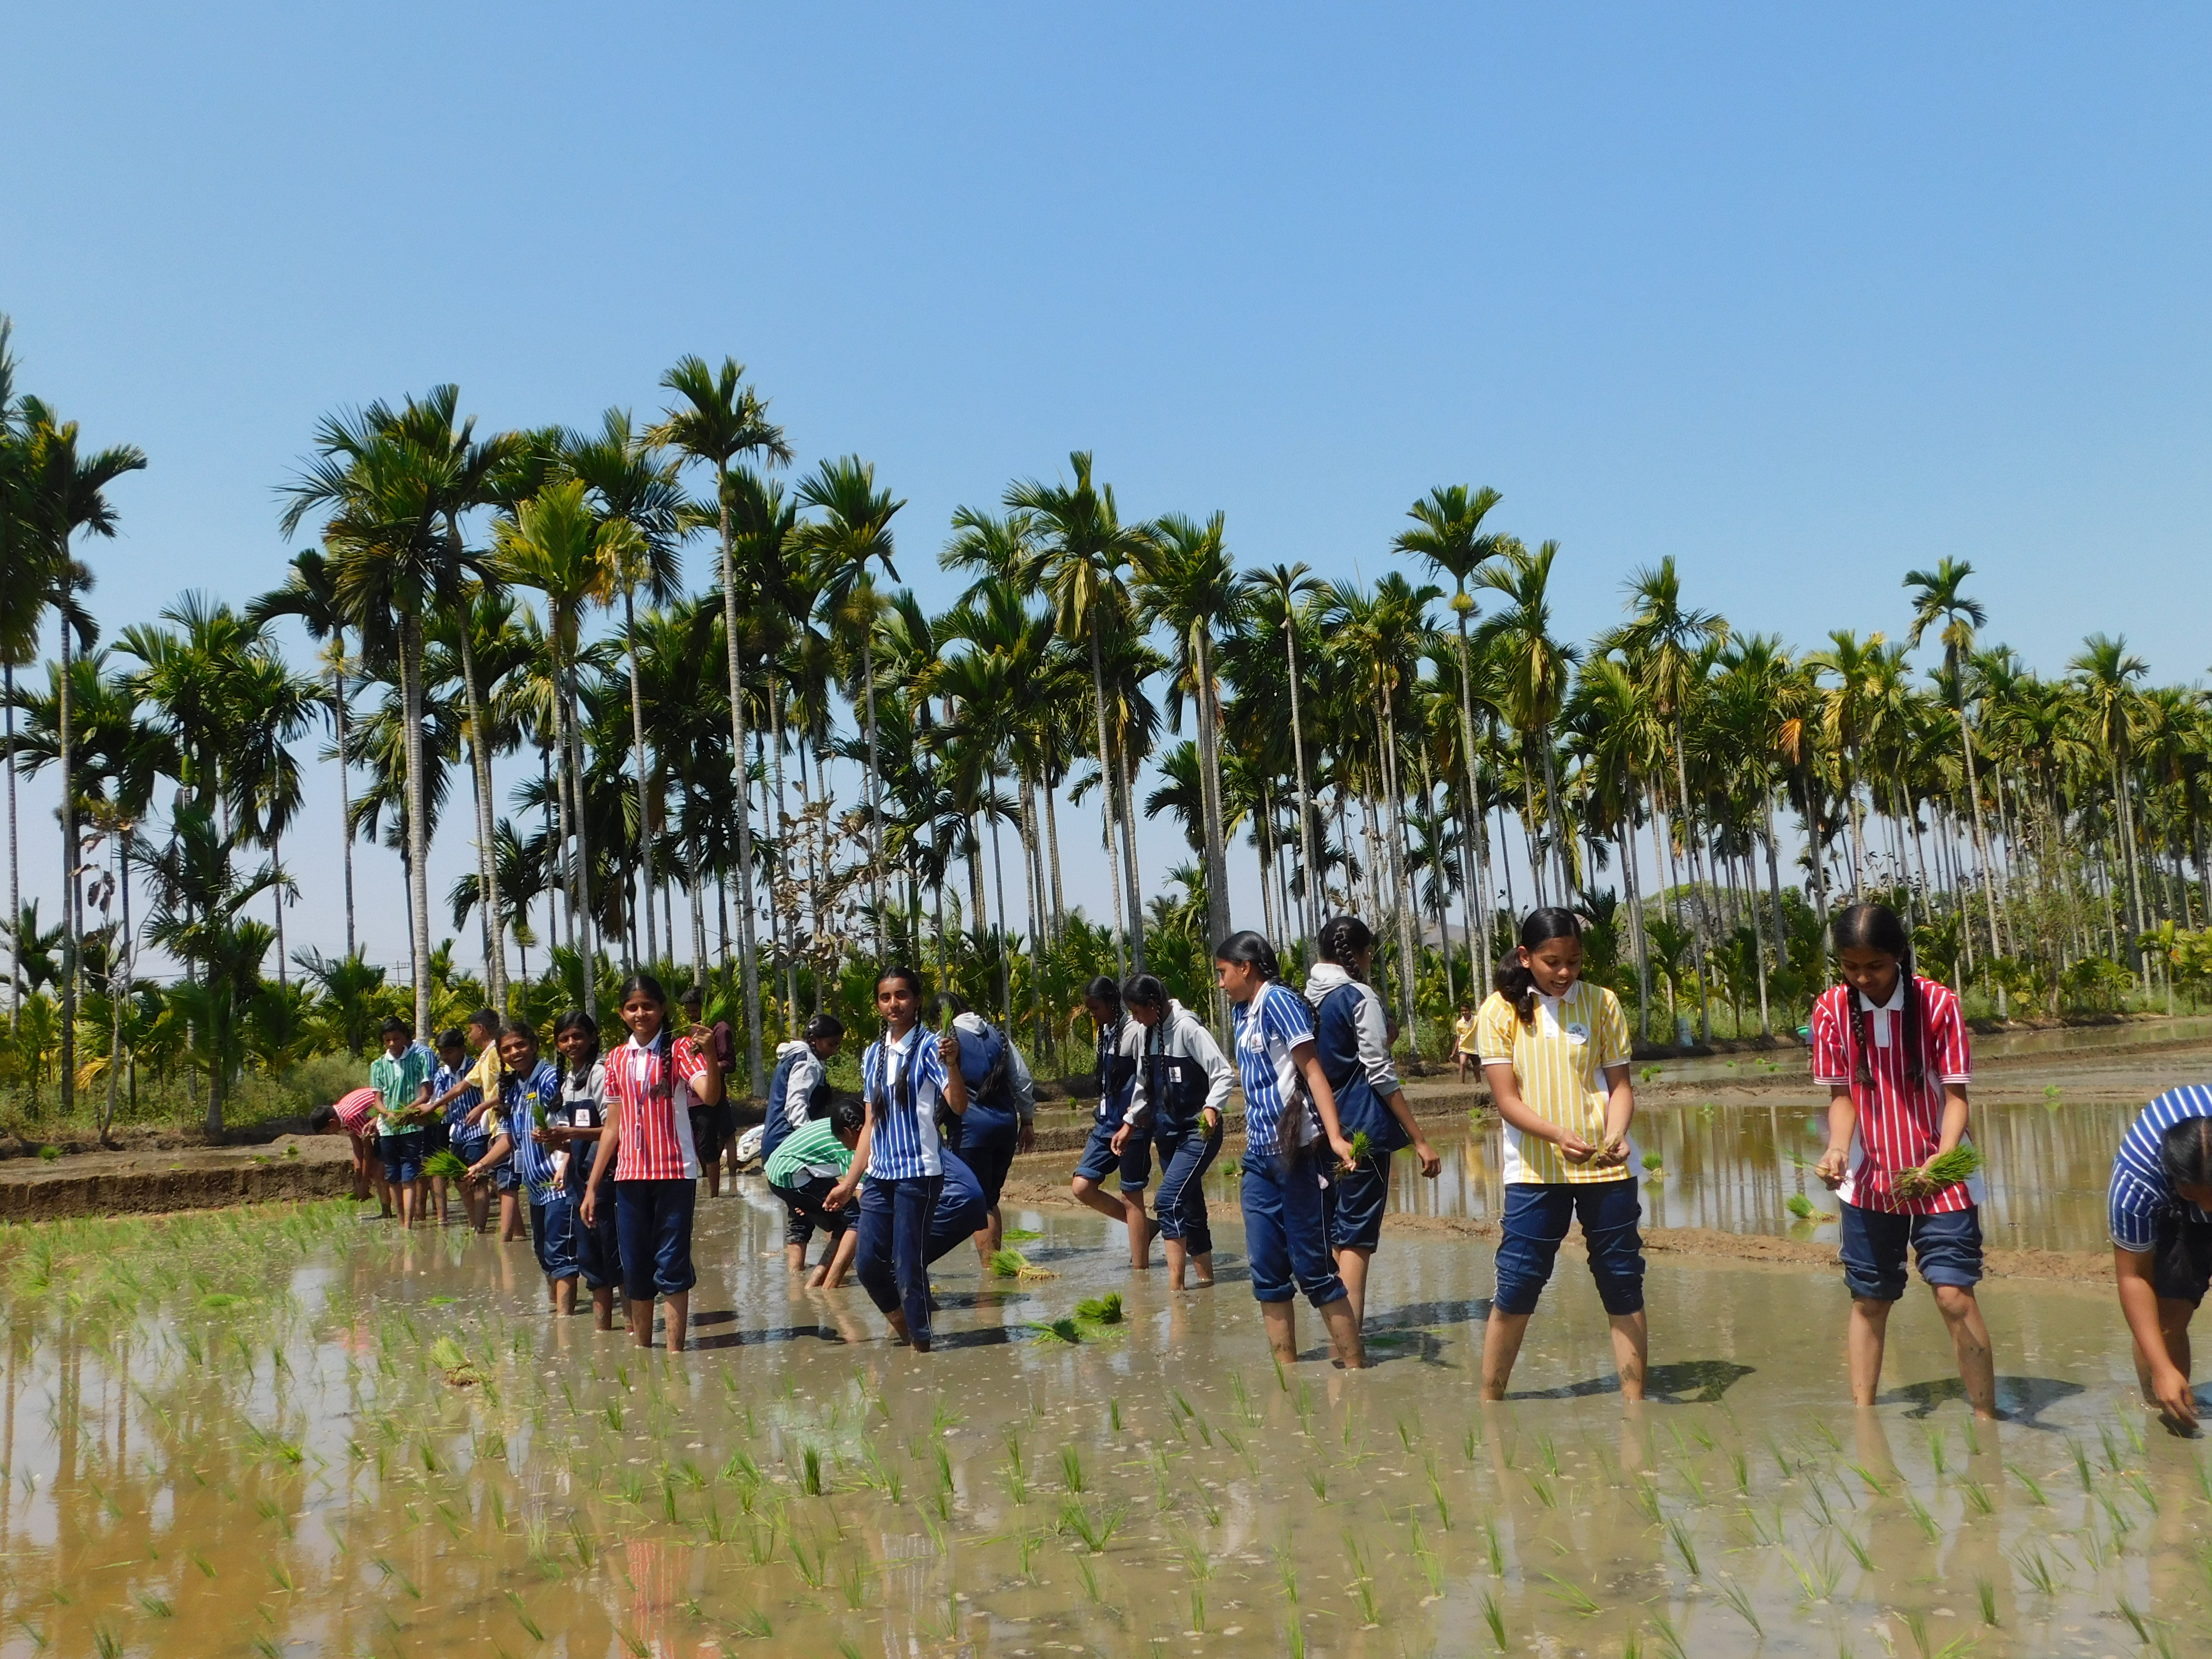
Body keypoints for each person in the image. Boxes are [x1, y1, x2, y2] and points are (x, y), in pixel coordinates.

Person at [1810, 902, 1994, 1418]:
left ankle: (1986, 1420)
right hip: (1870, 1176)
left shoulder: (1937, 1003)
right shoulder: (1829, 1011)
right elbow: (1843, 1096)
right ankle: (1865, 1419)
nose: (1863, 978)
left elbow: (1956, 1095)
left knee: (1954, 1294)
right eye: (1851, 967)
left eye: (1876, 966)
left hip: (1942, 1170)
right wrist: (1838, 1148)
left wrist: (1942, 1158)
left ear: (1899, 957)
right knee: (1870, 1298)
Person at [1476, 907, 1646, 1402]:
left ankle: (1636, 1406)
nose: (1566, 973)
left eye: (1574, 960)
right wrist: (1556, 1135)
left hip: (1605, 1169)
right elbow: (1507, 1101)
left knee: (1622, 1281)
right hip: (1535, 1170)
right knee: (1518, 1282)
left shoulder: (1602, 1003)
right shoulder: (1498, 1012)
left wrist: (1617, 1134)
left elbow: (1621, 1087)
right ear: (1526, 957)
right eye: (1553, 962)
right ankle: (1491, 1402)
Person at [1215, 931, 1366, 1369]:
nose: (1221, 984)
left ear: (1247, 968)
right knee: (1266, 1271)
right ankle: (1288, 1377)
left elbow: (1313, 1071)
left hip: (1299, 1156)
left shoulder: (1277, 1001)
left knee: (1315, 1270)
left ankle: (1356, 1372)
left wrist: (1336, 1138)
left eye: (1224, 973)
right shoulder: (1244, 1013)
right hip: (1260, 1158)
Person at [1306, 915, 1443, 1326]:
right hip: (1361, 1126)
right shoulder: (1358, 995)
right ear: (1364, 955)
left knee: (1334, 1230)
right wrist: (1419, 1138)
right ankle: (1351, 1337)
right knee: (1357, 1237)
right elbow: (1379, 1072)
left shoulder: (1307, 996)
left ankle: (1337, 1329)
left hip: (1319, 1128)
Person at [826, 966, 970, 1351]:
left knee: (908, 1267)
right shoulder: (873, 1054)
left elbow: (957, 1104)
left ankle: (922, 1350)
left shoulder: (931, 1047)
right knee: (870, 1266)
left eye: (902, 996)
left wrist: (953, 1065)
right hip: (879, 1177)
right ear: (878, 1004)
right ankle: (911, 1334)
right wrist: (848, 1182)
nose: (894, 1004)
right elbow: (870, 1123)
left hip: (918, 1174)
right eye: (886, 997)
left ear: (918, 1000)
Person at [581, 974, 724, 1352]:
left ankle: (675, 1353)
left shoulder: (679, 1051)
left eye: (648, 1006)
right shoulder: (615, 1059)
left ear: (662, 1010)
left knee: (672, 1262)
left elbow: (709, 1097)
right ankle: (645, 1353)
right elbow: (613, 1126)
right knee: (635, 1266)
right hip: (629, 1176)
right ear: (622, 1014)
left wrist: (709, 1052)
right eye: (633, 1007)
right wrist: (593, 1186)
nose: (641, 1013)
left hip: (675, 1172)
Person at [1110, 974, 1233, 1290]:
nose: (1135, 1019)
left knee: (1167, 1200)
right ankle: (1206, 1281)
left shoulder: (1187, 1028)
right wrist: (1130, 1122)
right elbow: (1144, 1085)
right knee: (1190, 1205)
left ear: (1153, 1005)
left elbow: (1222, 1073)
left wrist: (1212, 1108)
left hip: (1197, 1132)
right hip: (1166, 1133)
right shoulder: (1148, 1032)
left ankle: (1175, 1289)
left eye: (1137, 1012)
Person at [2108, 1086, 2212, 1429]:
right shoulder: (2135, 1183)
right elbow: (2133, 1277)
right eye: (2200, 1199)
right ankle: (2166, 1405)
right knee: (2168, 1316)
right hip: (2169, 1210)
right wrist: (2163, 1368)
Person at [467, 1022, 578, 1313]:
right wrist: (481, 1165)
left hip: (560, 1183)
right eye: (507, 1049)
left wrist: (566, 1162)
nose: (515, 1053)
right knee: (543, 1253)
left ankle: (565, 1322)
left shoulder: (552, 1079)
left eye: (520, 1045)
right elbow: (508, 1140)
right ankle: (557, 1309)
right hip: (535, 1186)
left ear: (535, 1044)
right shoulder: (513, 1089)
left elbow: (570, 1126)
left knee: (561, 1254)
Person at [930, 992, 1037, 1271]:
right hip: (1004, 1127)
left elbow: (933, 1090)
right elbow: (1022, 1080)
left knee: (977, 1202)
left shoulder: (945, 1042)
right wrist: (1027, 1121)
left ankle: (990, 1272)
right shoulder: (997, 1035)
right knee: (990, 1198)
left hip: (970, 1131)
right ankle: (997, 1265)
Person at [1070, 975, 1152, 1268]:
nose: (1093, 1015)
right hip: (1105, 1123)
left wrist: (1132, 1120)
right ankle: (1144, 1227)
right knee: (1082, 1186)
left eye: (1095, 1008)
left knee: (1132, 1195)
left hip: (1131, 1124)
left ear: (1110, 1004)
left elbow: (1145, 1078)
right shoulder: (1104, 1032)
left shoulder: (1134, 1032)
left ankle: (1140, 1272)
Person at [549, 1010, 622, 1330]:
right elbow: (573, 1135)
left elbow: (612, 1129)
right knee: (592, 1261)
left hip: (609, 1176)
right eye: (564, 1039)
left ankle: (632, 1331)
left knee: (617, 1258)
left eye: (577, 1036)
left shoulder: (602, 1073)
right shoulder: (568, 1080)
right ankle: (602, 1333)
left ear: (593, 1037)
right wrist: (556, 1143)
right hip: (580, 1180)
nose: (571, 1043)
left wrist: (571, 1135)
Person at [765, 1015, 846, 1273]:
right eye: (832, 1045)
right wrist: (815, 1139)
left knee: (800, 1210)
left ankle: (796, 1278)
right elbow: (795, 1107)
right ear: (815, 1041)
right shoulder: (808, 1062)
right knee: (838, 1210)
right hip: (791, 1146)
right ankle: (828, 1276)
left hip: (778, 1146)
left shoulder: (792, 1058)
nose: (835, 1051)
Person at [769, 1096, 868, 1288]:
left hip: (785, 1168)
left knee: (823, 1221)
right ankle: (829, 1285)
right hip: (791, 1174)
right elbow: (863, 1199)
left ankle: (802, 1284)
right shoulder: (851, 1146)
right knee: (856, 1218)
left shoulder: (837, 1124)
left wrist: (810, 1206)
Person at [368, 1016, 436, 1230]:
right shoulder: (378, 1065)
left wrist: (407, 1111)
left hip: (412, 1125)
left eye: (396, 1039)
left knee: (409, 1174)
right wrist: (387, 1113)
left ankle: (408, 1223)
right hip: (387, 1128)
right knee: (393, 1175)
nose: (392, 1044)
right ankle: (400, 1221)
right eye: (387, 1040)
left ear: (405, 1038)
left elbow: (426, 1094)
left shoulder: (418, 1060)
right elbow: (377, 1099)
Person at [678, 985, 739, 1194]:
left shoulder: (720, 1029)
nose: (691, 1015)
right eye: (689, 1011)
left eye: (695, 1010)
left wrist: (706, 1065)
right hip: (692, 1096)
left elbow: (729, 1063)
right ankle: (710, 1185)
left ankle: (716, 1193)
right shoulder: (696, 1029)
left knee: (708, 1145)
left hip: (710, 1095)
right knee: (699, 1143)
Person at [429, 1028, 491, 1232]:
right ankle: (472, 1222)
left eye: (450, 1051)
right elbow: (442, 1105)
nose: (445, 1057)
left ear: (462, 1049)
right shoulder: (441, 1074)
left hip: (478, 1130)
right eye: (442, 1052)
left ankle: (480, 1229)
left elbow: (488, 1093)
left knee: (478, 1179)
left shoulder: (476, 1067)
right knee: (460, 1181)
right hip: (456, 1133)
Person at [311, 1086, 389, 1215]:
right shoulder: (341, 1113)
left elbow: (367, 1150)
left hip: (389, 1117)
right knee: (377, 1170)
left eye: (328, 1132)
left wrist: (364, 1184)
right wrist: (358, 1180)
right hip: (377, 1124)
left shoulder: (351, 1116)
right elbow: (357, 1147)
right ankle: (386, 1211)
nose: (331, 1134)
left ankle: (387, 1212)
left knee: (379, 1171)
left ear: (332, 1122)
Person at [1454, 1000, 1479, 1084]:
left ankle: (1479, 1084)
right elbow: (1459, 1038)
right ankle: (1462, 1084)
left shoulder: (1477, 1020)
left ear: (1470, 1010)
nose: (1464, 1013)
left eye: (1466, 1011)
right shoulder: (1459, 1023)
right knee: (1462, 1063)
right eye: (1462, 1011)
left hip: (1475, 1048)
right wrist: (1454, 1051)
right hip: (1464, 1048)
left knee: (1477, 1069)